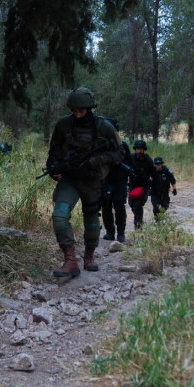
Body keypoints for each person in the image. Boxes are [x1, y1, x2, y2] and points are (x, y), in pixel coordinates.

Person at [46, 87, 123, 277]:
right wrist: (53, 169)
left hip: (93, 180)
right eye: (74, 111)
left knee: (91, 221)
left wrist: (98, 160)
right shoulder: (63, 125)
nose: (78, 115)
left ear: (90, 108)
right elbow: (53, 152)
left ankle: (89, 255)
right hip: (70, 179)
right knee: (59, 216)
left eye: (81, 111)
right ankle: (70, 260)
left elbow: (120, 153)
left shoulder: (105, 127)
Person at [100, 118, 133, 243]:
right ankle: (110, 232)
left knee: (119, 205)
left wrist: (121, 165)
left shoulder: (122, 145)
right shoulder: (101, 145)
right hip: (105, 179)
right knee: (106, 206)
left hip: (120, 181)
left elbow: (130, 163)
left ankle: (120, 233)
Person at [128, 140, 156, 229]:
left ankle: (138, 225)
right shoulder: (130, 158)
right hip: (132, 186)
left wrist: (153, 186)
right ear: (135, 149)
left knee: (138, 205)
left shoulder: (148, 160)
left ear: (144, 150)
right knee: (132, 204)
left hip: (144, 187)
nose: (139, 151)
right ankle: (139, 219)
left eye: (141, 149)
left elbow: (154, 174)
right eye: (137, 149)